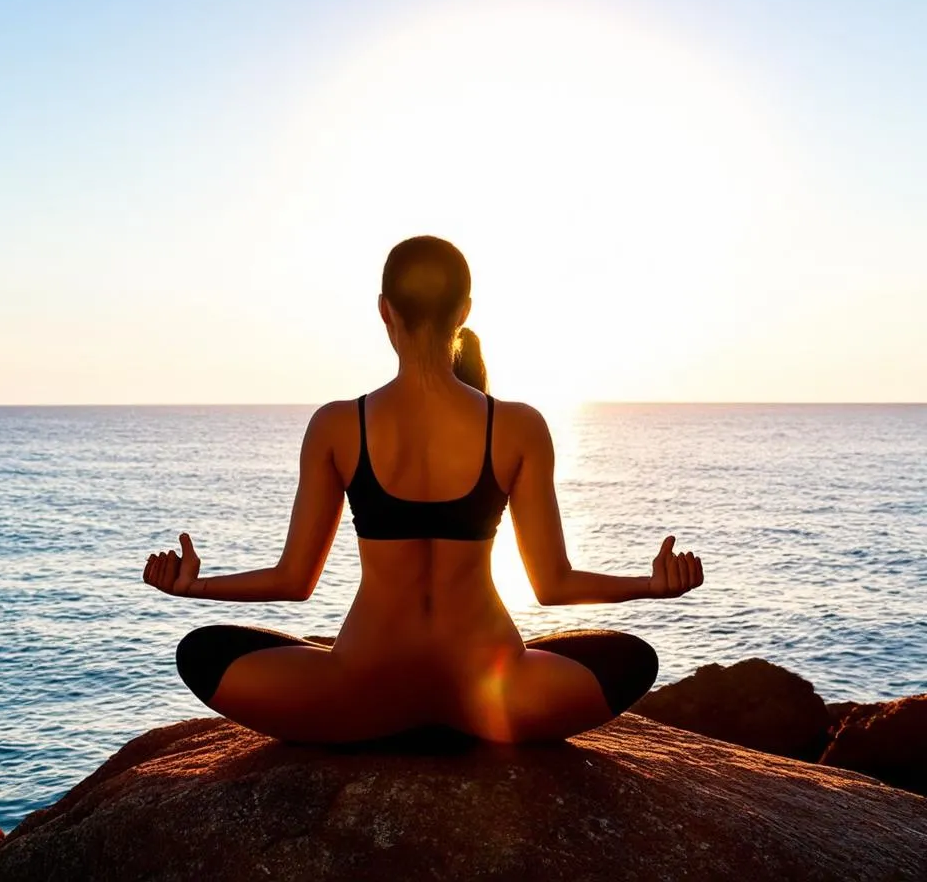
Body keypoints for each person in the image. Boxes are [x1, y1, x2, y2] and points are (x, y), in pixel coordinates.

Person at [143, 235, 703, 743]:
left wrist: (196, 586)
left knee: (202, 652)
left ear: (384, 310)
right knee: (631, 659)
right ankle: (458, 722)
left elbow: (294, 582)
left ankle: (385, 711)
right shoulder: (519, 426)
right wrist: (650, 584)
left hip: (360, 697)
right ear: (464, 312)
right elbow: (552, 586)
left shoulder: (338, 425)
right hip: (490, 698)